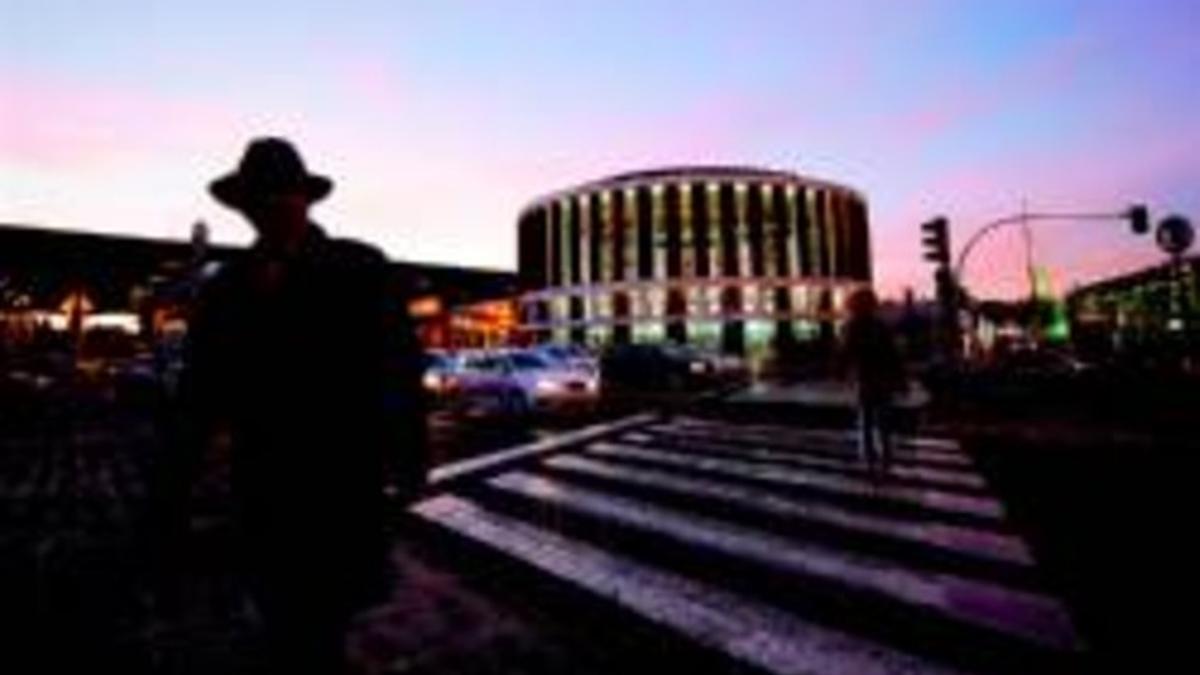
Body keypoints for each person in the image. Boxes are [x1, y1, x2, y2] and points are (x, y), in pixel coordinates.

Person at [172, 137, 428, 673]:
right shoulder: (227, 286)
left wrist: (409, 459)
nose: (269, 206)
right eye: (258, 197)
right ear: (243, 207)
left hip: (339, 481)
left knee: (320, 625)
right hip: (263, 483)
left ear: (305, 198)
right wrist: (174, 485)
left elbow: (402, 367)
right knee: (281, 618)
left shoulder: (360, 267)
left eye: (280, 193)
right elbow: (199, 392)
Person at [841, 289, 905, 478]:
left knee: (867, 422)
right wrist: (900, 380)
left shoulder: (852, 327)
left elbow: (846, 353)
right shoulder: (880, 326)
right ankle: (886, 461)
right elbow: (893, 355)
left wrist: (841, 369)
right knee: (883, 423)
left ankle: (870, 461)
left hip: (866, 380)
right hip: (882, 380)